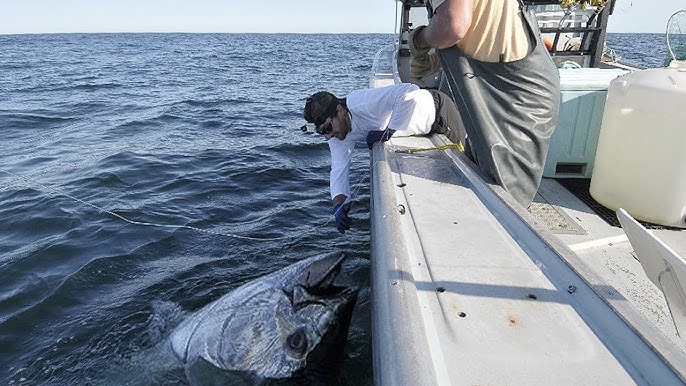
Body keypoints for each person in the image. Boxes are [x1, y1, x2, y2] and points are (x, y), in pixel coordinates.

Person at [409, 0, 561, 208]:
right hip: (499, 88)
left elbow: (452, 26)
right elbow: (482, 34)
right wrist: (438, 59)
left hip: (519, 97)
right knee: (481, 174)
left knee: (506, 203)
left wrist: (418, 39)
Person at [303, 83, 465, 234]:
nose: (329, 136)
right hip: (421, 130)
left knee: (467, 163)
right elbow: (339, 168)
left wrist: (389, 131)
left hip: (438, 113)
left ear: (340, 110)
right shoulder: (338, 136)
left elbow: (409, 91)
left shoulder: (362, 103)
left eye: (328, 128)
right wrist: (338, 204)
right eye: (322, 133)